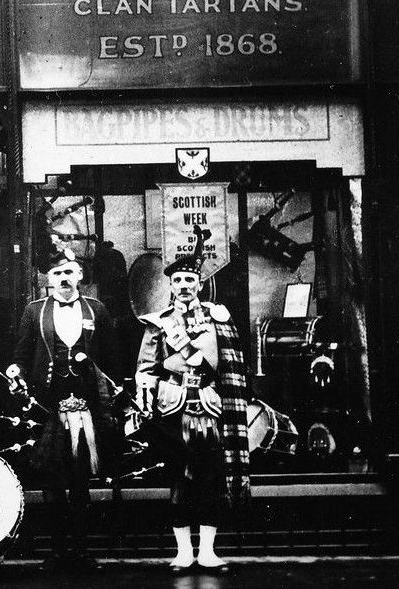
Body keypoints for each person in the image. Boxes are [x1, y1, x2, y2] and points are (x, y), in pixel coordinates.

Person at [135, 226, 250, 574]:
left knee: (212, 478)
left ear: (199, 284)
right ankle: (183, 552)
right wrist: (145, 401)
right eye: (178, 280)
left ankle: (208, 552)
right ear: (170, 285)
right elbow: (146, 367)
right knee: (179, 479)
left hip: (211, 404)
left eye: (190, 279)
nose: (184, 285)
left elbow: (229, 362)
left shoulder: (218, 318)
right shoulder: (159, 323)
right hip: (173, 405)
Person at [10, 247, 120, 571]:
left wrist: (111, 397)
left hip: (88, 407)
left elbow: (112, 359)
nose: (64, 279)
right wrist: (16, 369)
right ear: (48, 278)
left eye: (69, 272)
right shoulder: (34, 311)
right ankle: (57, 553)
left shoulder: (97, 309)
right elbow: (20, 353)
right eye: (57, 274)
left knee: (82, 483)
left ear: (80, 276)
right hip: (48, 408)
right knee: (53, 483)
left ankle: (82, 552)